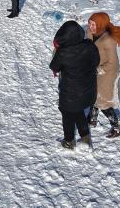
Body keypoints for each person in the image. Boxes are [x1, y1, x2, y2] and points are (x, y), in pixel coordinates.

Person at [50, 20, 100, 149]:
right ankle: (85, 138)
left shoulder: (63, 52)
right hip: (88, 90)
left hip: (70, 92)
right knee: (78, 110)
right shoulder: (90, 45)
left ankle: (69, 141)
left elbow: (54, 66)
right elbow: (96, 61)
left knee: (67, 113)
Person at [86, 12, 120, 138]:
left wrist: (97, 70)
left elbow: (113, 63)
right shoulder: (92, 33)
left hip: (107, 73)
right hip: (96, 70)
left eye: (93, 24)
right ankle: (92, 119)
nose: (90, 27)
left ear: (101, 24)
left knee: (104, 102)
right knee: (93, 95)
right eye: (89, 23)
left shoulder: (108, 40)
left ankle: (118, 128)